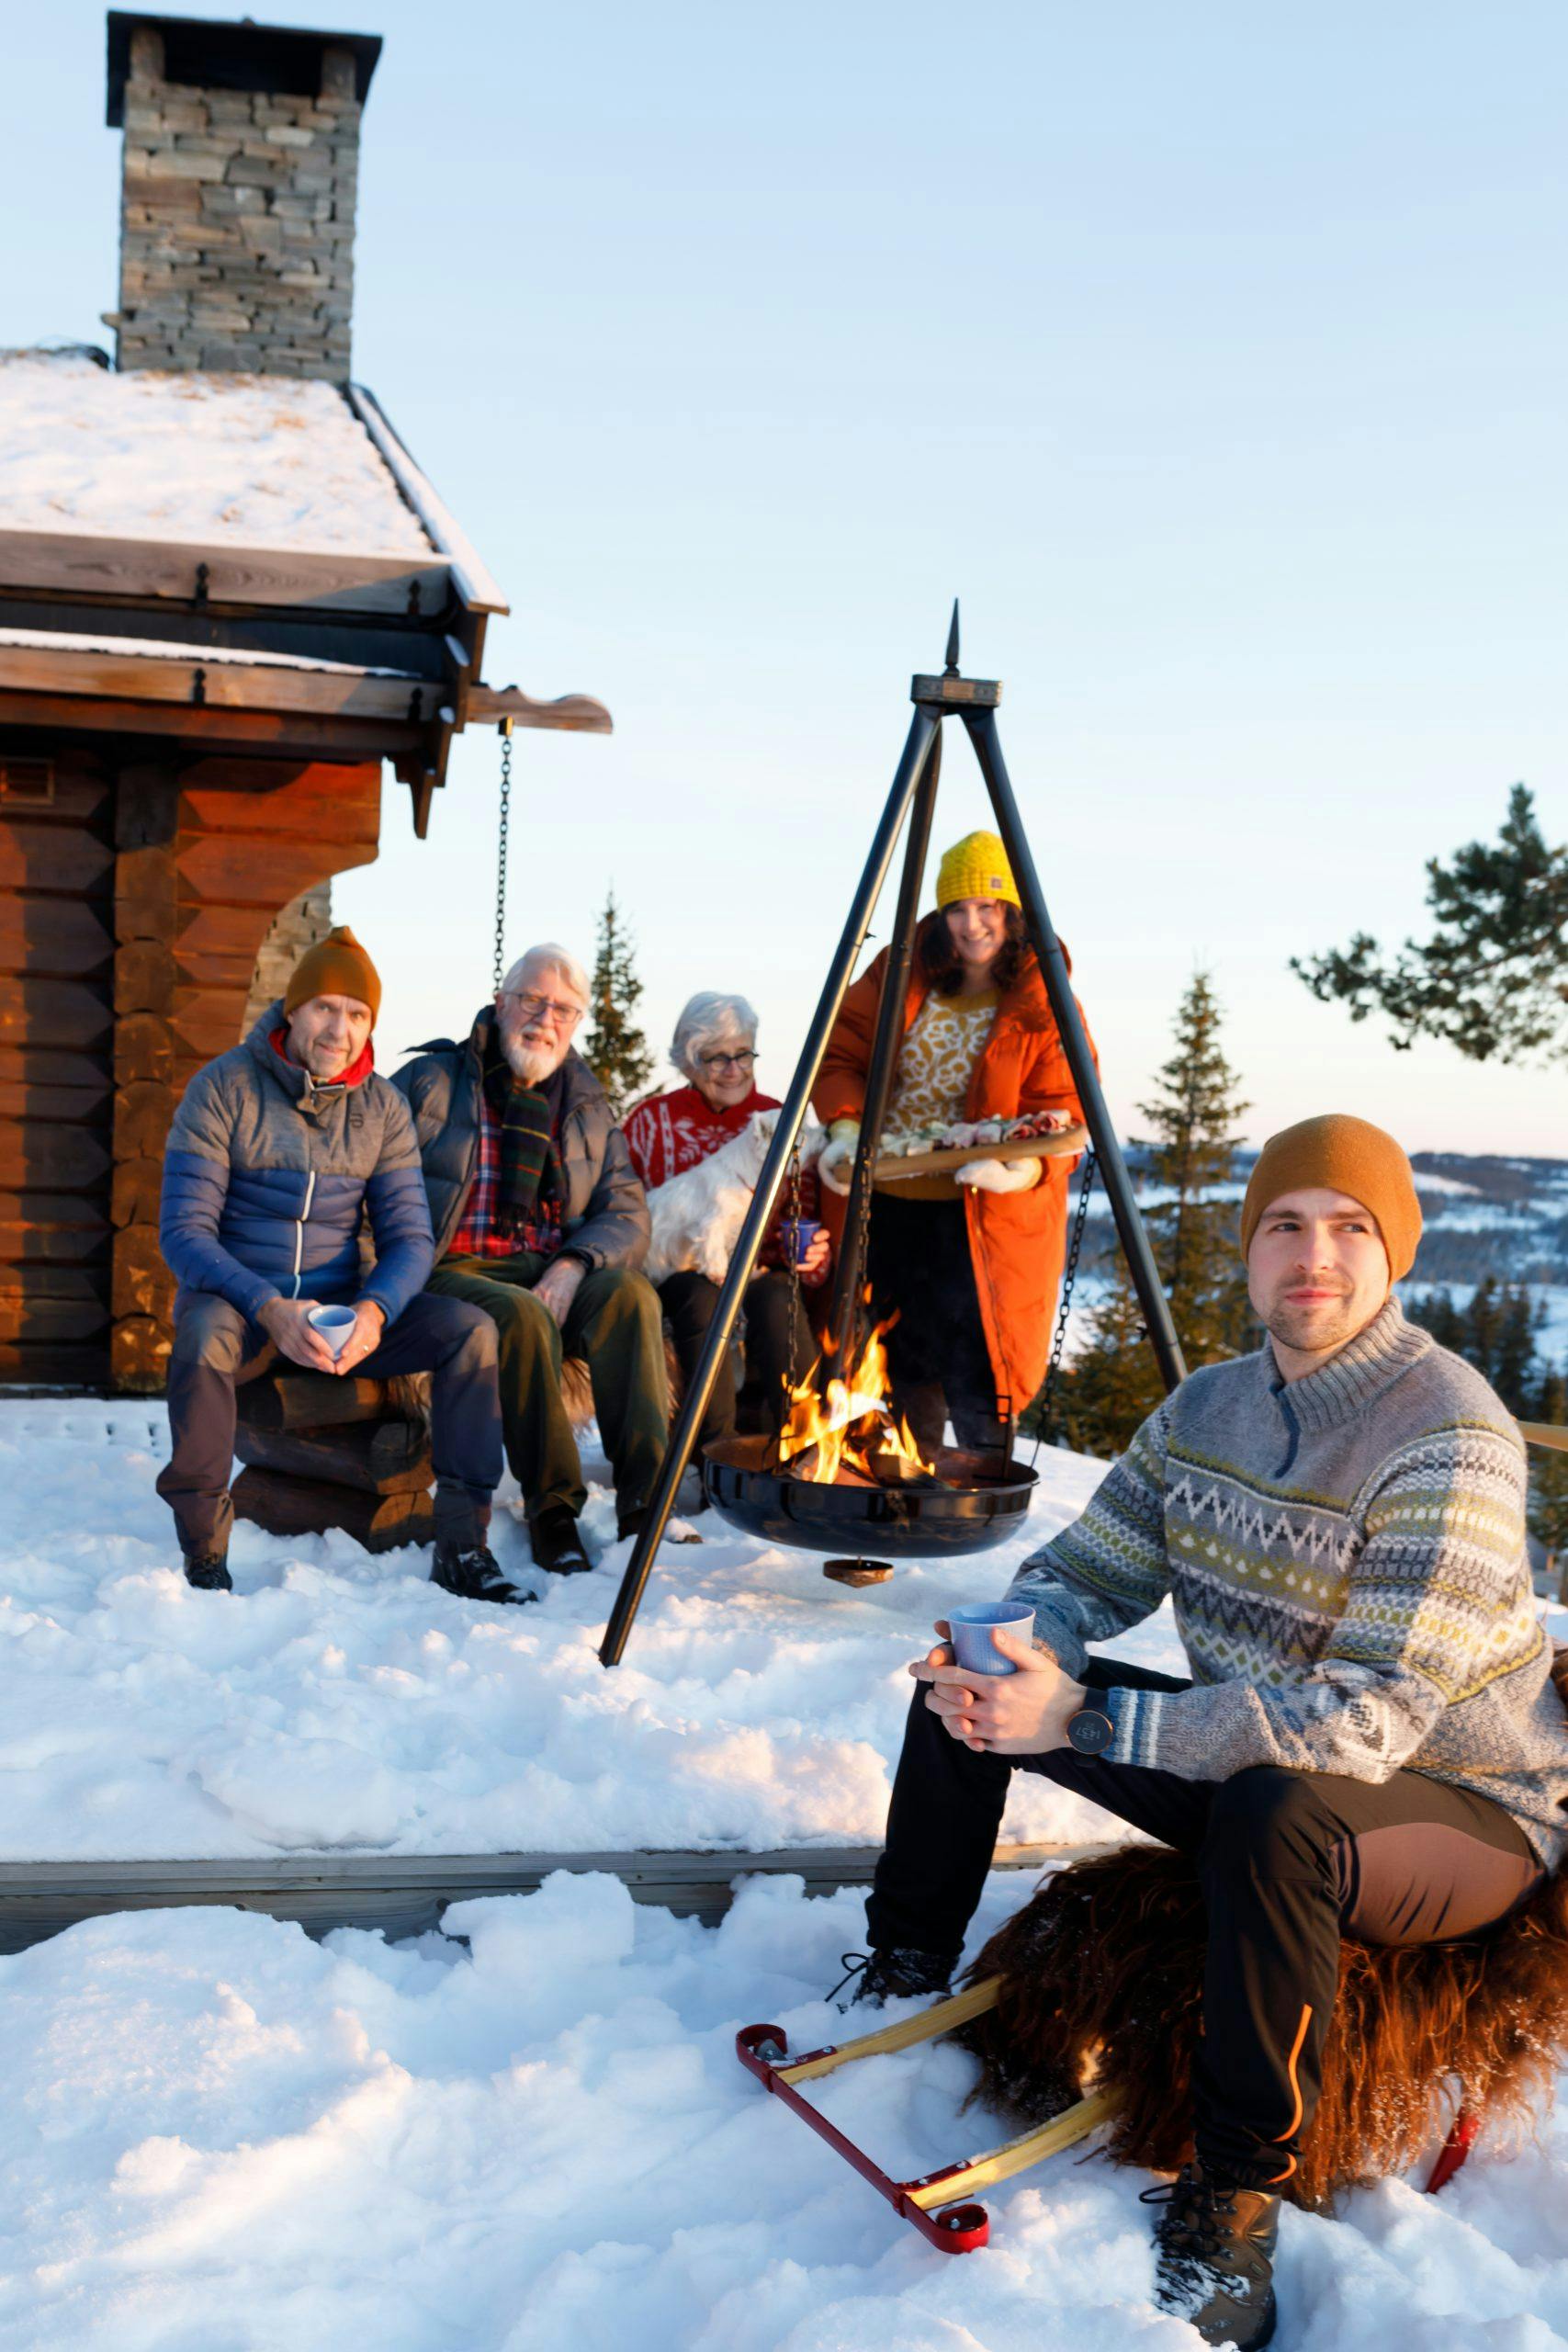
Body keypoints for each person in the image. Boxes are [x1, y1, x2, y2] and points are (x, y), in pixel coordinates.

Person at [846, 1114, 1568, 2348]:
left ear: (1391, 1255)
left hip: (1460, 1809)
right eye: (1282, 1225)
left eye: (1348, 1229)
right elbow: (1083, 1573)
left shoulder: (1447, 1433)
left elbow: (1363, 1725)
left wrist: (1086, 1717)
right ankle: (901, 1968)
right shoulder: (1204, 1410)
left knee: (1273, 1811)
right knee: (971, 1674)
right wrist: (1024, 1647)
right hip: (1272, 1767)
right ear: (1246, 1251)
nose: (1312, 1255)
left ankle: (1237, 2195)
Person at [156, 926, 510, 1603]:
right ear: (292, 1010)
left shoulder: (381, 1107)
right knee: (201, 1335)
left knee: (472, 1331)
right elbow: (183, 1232)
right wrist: (267, 1307)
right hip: (242, 1307)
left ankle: (464, 1545)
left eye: (357, 1014)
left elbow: (411, 1239)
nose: (338, 1028)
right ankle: (204, 1552)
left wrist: (376, 1311)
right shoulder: (223, 1087)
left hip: (341, 1314)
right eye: (324, 1007)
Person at [394, 944, 667, 1577]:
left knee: (630, 1296)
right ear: (500, 1003)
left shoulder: (586, 1106)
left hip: (549, 1266)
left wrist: (574, 1264)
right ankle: (552, 1510)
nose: (546, 1018)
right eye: (533, 1000)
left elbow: (627, 1213)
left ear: (575, 1025)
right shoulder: (432, 1082)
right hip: (451, 1268)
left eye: (564, 1010)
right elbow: (369, 1178)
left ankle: (644, 1504)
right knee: (519, 1315)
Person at [814, 830, 1089, 1455]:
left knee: (976, 1359)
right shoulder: (899, 973)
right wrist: (846, 1127)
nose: (971, 924)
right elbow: (841, 1054)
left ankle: (980, 1492)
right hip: (888, 1200)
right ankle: (911, 1486)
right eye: (957, 908)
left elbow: (1066, 1112)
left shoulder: (1040, 994)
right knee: (900, 1357)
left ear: (1012, 913)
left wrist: (1018, 1172)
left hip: (983, 1213)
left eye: (987, 907)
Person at [623, 990, 829, 1452]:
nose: (733, 1069)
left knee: (778, 1296)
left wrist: (812, 1255)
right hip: (674, 1272)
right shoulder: (650, 1122)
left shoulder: (782, 1117)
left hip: (754, 1267)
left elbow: (805, 1210)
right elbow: (622, 1208)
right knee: (700, 1297)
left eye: (742, 1054)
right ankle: (716, 1451)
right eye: (716, 1059)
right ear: (688, 1063)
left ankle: (809, 1443)